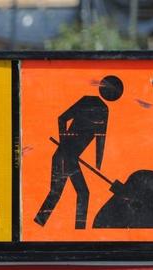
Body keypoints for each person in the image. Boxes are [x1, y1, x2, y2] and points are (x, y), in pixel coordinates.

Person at [34, 75, 124, 229]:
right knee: (73, 193)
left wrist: (98, 164)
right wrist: (64, 144)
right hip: (64, 156)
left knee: (62, 193)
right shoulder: (88, 102)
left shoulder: (103, 110)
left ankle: (42, 223)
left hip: (69, 158)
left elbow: (100, 139)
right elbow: (62, 118)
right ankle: (77, 232)